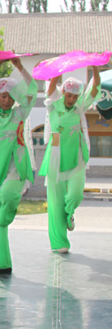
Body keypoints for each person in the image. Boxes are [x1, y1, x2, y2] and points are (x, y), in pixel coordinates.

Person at [0, 58, 37, 275]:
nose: (8, 100)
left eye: (12, 97)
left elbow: (32, 89)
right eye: (4, 96)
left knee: (9, 196)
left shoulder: (20, 114)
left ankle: (9, 211)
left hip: (15, 168)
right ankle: (2, 264)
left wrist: (19, 66)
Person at [39, 68, 101, 253]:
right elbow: (51, 87)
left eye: (75, 96)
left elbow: (95, 87)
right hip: (56, 159)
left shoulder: (80, 106)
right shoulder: (54, 105)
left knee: (75, 194)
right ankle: (60, 243)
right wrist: (60, 68)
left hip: (77, 158)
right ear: (63, 92)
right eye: (69, 95)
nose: (72, 99)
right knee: (55, 201)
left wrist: (95, 68)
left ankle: (69, 213)